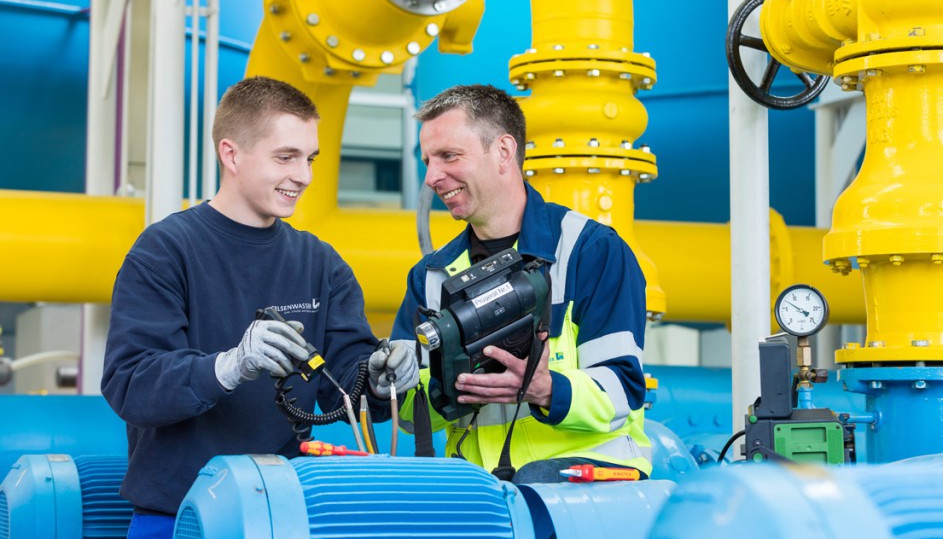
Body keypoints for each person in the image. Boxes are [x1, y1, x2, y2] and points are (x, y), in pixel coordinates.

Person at [101, 76, 419, 538]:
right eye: (285, 157)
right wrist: (227, 367)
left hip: (282, 514)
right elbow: (129, 384)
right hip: (176, 517)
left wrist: (379, 374)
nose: (305, 176)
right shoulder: (166, 251)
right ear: (231, 154)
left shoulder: (321, 263)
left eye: (309, 159)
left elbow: (341, 387)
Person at [385, 84, 652, 483]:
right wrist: (393, 381)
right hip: (484, 495)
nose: (433, 178)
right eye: (427, 161)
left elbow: (623, 391)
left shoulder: (590, 251)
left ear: (504, 152)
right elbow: (408, 416)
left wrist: (546, 388)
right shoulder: (430, 276)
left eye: (448, 157)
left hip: (586, 491)